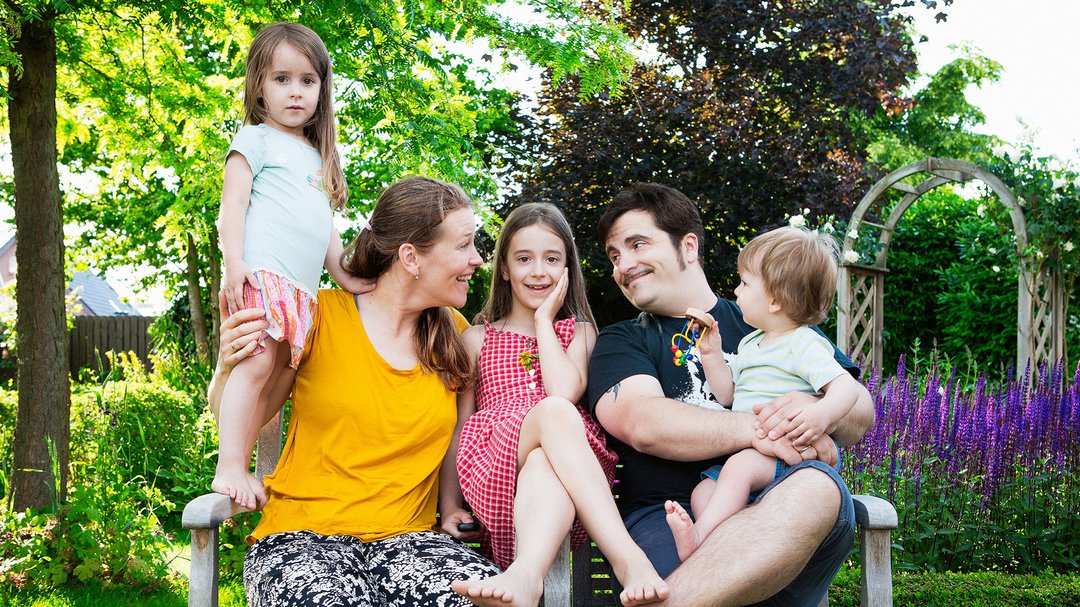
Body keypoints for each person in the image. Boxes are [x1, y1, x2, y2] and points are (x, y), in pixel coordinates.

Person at [208, 176, 503, 605]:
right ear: (411, 257)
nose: (477, 259)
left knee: (486, 599)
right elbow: (244, 419)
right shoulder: (317, 315)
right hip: (303, 540)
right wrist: (226, 366)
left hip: (410, 543)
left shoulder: (457, 338)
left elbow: (472, 435)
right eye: (463, 245)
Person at [587, 183, 875, 606]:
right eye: (615, 255)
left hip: (782, 505)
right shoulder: (621, 340)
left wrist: (812, 413)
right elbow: (643, 423)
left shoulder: (771, 321)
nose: (623, 265)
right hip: (670, 516)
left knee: (815, 485)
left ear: (688, 247)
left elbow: (859, 410)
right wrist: (765, 430)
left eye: (637, 244)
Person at [448, 203, 668, 607]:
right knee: (553, 415)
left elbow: (564, 390)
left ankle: (526, 577)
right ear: (503, 268)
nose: (538, 271)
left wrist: (545, 322)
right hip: (494, 463)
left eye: (552, 259)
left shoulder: (581, 332)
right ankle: (628, 557)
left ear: (568, 267)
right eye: (524, 259)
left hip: (570, 482)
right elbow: (460, 427)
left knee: (545, 455)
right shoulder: (478, 338)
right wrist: (449, 506)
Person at [213, 22, 371, 509]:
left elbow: (322, 227)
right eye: (281, 79)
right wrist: (234, 261)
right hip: (263, 276)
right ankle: (229, 466)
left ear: (322, 89)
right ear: (259, 86)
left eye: (307, 80)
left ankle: (247, 462)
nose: (295, 91)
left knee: (280, 376)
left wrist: (343, 274)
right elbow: (232, 208)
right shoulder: (255, 140)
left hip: (301, 293)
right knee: (256, 364)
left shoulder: (316, 156)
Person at [663, 226, 863, 562]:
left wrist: (821, 414)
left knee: (736, 471)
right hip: (754, 454)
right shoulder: (751, 343)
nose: (736, 291)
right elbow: (728, 395)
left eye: (745, 283)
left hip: (790, 457)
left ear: (775, 300)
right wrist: (711, 355)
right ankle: (727, 542)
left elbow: (845, 388)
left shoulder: (803, 343)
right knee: (704, 490)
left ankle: (698, 539)